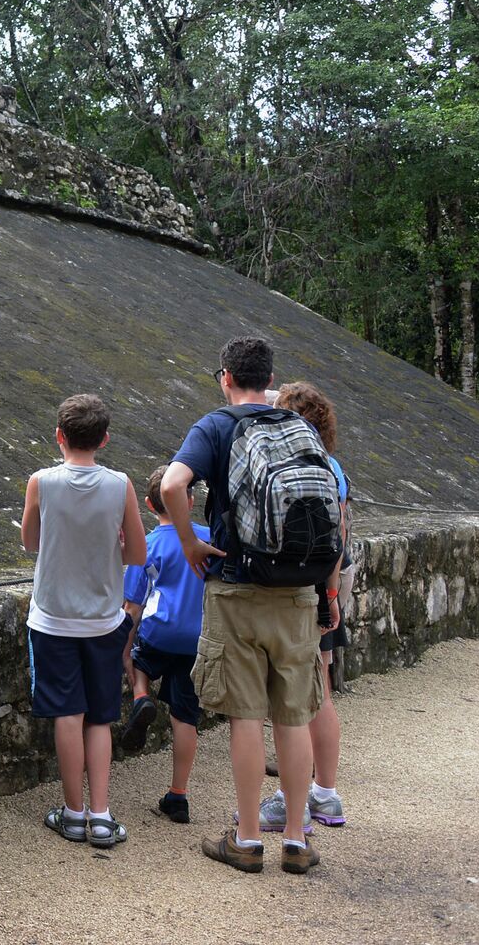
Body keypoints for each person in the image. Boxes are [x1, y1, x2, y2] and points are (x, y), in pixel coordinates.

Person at [159, 336, 328, 875]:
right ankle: (298, 840)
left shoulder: (215, 426)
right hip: (298, 591)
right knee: (294, 715)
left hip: (236, 586)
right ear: (269, 376)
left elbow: (172, 485)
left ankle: (249, 840)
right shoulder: (296, 426)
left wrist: (189, 541)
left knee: (246, 716)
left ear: (226, 376)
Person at [23, 393, 146, 849]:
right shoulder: (121, 485)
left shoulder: (41, 482)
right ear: (105, 438)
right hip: (102, 620)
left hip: (53, 620)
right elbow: (137, 554)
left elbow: (30, 541)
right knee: (99, 717)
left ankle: (72, 814)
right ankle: (101, 815)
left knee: (67, 714)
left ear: (59, 436)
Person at [260, 380, 351, 832]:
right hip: (327, 582)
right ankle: (325, 795)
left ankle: (289, 802)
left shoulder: (290, 462)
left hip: (304, 587)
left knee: (291, 698)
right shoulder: (332, 466)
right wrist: (333, 595)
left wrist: (323, 598)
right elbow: (341, 537)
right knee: (321, 691)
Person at [119, 466, 210, 823]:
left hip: (159, 631)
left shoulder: (150, 545)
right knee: (185, 716)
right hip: (196, 638)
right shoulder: (208, 536)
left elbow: (132, 606)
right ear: (189, 499)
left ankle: (142, 698)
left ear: (147, 503)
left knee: (140, 662)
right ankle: (178, 795)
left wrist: (124, 652)